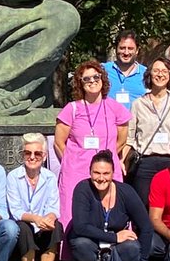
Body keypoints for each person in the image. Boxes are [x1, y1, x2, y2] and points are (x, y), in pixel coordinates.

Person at [54, 60, 130, 243]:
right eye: (86, 78)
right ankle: (71, 255)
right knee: (75, 212)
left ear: (103, 80)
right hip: (76, 172)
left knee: (109, 208)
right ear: (80, 82)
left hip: (107, 171)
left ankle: (111, 248)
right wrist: (73, 161)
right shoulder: (71, 109)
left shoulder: (115, 108)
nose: (92, 81)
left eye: (96, 77)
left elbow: (121, 140)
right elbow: (58, 142)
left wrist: (107, 157)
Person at [67, 151, 151, 261]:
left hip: (116, 248)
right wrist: (115, 237)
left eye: (106, 173)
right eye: (96, 173)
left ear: (113, 173)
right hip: (91, 241)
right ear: (90, 172)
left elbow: (146, 226)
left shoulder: (126, 192)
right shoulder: (82, 189)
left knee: (132, 247)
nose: (101, 178)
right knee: (79, 243)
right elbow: (80, 226)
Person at [120, 55, 170, 212]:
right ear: (149, 74)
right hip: (145, 164)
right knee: (144, 208)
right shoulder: (138, 104)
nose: (160, 75)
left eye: (164, 71)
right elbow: (130, 138)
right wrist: (122, 160)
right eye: (156, 71)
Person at [6, 133, 63, 261]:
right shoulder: (13, 177)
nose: (32, 157)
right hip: (25, 222)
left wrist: (49, 218)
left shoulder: (50, 177)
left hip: (43, 223)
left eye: (37, 153)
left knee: (56, 225)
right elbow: (16, 210)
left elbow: (53, 206)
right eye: (27, 153)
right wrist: (35, 219)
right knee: (23, 227)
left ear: (44, 156)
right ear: (22, 154)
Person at [102, 30, 148, 107]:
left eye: (130, 48)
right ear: (116, 49)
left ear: (137, 50)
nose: (126, 53)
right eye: (122, 48)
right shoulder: (103, 70)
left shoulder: (146, 74)